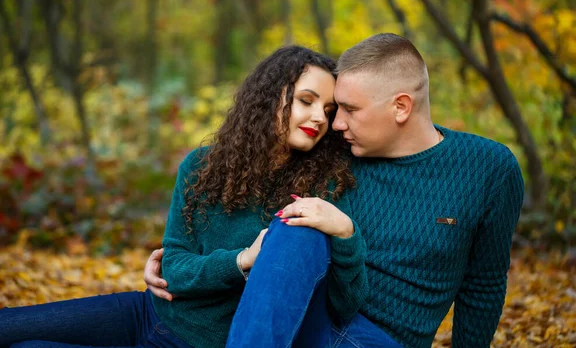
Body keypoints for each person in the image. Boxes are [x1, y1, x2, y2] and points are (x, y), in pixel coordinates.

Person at [147, 33, 524, 348]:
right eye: (331, 109)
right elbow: (250, 200)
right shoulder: (333, 153)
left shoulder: (488, 169)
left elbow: (484, 284)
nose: (334, 123)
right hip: (304, 322)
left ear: (401, 107)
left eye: (347, 109)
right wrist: (175, 262)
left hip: (380, 339)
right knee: (297, 231)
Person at [0, 46, 366, 348]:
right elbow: (173, 267)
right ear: (269, 99)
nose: (319, 117)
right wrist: (240, 261)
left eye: (328, 109)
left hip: (193, 342)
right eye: (306, 100)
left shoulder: (324, 189)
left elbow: (342, 305)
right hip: (146, 311)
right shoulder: (202, 165)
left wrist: (347, 236)